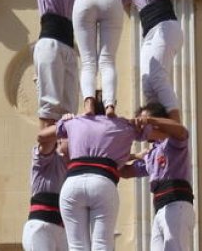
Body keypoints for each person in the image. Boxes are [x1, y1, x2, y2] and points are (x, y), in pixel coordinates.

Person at [38, 99, 145, 250]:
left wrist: (64, 122)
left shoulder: (75, 122)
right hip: (102, 182)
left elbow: (42, 136)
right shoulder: (122, 125)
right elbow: (155, 132)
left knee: (76, 246)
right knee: (102, 244)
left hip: (73, 183)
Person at [123, 0, 182, 124]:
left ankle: (175, 125)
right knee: (147, 84)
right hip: (149, 32)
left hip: (165, 25)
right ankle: (158, 129)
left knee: (157, 76)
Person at [128, 102, 194, 251]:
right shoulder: (151, 153)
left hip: (176, 204)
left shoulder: (173, 142)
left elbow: (180, 130)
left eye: (144, 122)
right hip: (160, 209)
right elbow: (126, 171)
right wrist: (133, 155)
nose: (142, 129)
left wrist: (150, 121)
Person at [34, 0, 80, 128]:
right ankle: (46, 153)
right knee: (50, 105)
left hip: (68, 46)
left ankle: (66, 153)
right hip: (51, 42)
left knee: (69, 110)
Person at [22, 131, 70, 251]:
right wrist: (63, 124)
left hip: (62, 231)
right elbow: (44, 139)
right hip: (41, 227)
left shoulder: (75, 166)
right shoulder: (44, 158)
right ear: (58, 140)